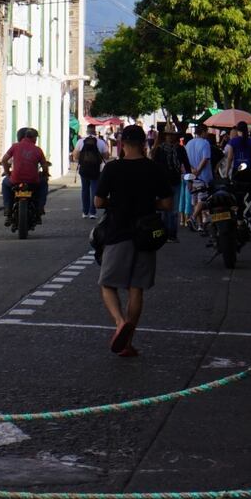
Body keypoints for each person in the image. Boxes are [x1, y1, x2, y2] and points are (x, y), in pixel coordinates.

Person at [93, 125, 170, 357]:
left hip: (118, 231)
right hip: (146, 233)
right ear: (144, 144)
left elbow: (98, 202)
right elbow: (167, 205)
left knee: (107, 284)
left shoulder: (112, 168)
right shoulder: (154, 169)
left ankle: (119, 323)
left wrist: (116, 204)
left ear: (122, 144)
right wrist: (148, 205)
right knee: (136, 288)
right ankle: (127, 342)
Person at [1, 126, 52, 222]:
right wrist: (45, 174)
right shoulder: (38, 150)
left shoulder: (15, 146)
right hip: (33, 181)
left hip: (15, 180)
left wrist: (8, 173)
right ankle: (40, 207)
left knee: (5, 183)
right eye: (36, 138)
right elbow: (44, 166)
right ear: (33, 138)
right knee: (44, 184)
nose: (36, 140)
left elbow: (4, 160)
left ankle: (8, 208)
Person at [151, 128, 186, 242]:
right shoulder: (159, 150)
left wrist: (190, 178)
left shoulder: (180, 149)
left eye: (172, 135)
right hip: (162, 183)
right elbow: (154, 167)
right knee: (164, 211)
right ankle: (164, 233)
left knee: (174, 211)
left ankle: (172, 234)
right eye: (168, 135)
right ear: (165, 136)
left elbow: (186, 163)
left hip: (176, 181)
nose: (170, 137)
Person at [224, 125, 251, 223]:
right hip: (249, 172)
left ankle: (240, 222)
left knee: (239, 199)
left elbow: (229, 158)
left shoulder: (233, 141)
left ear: (238, 131)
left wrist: (226, 173)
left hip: (238, 171)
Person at [183, 123, 216, 228]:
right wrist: (198, 170)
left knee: (195, 200)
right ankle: (193, 218)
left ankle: (200, 225)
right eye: (207, 131)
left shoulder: (188, 144)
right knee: (202, 200)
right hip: (203, 176)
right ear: (203, 132)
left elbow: (186, 160)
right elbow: (205, 159)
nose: (207, 133)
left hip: (191, 177)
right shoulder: (205, 143)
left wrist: (192, 170)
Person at [76, 126, 107, 219]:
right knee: (94, 190)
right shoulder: (101, 142)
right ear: (95, 132)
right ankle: (92, 213)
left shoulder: (81, 141)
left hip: (84, 169)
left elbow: (75, 155)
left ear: (87, 131)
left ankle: (85, 212)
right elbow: (106, 156)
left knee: (84, 190)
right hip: (96, 170)